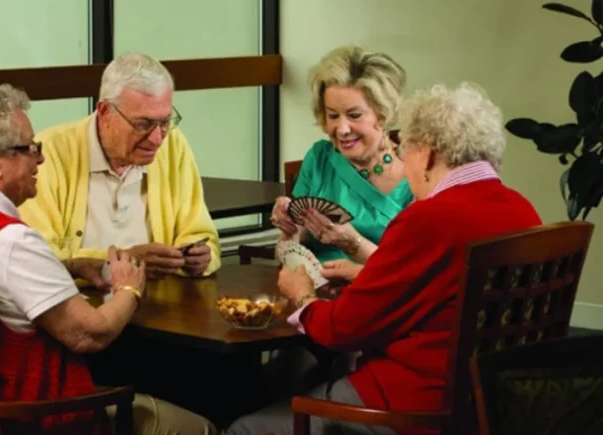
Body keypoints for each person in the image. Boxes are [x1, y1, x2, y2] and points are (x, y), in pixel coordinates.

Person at [226, 82, 543, 435]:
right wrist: (365, 278)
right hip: (496, 407)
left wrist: (302, 295)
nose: (405, 165)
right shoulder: (524, 211)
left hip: (412, 408)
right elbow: (444, 296)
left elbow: (341, 330)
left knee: (244, 429)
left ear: (429, 155)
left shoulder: (428, 219)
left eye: (407, 152)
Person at [0, 84, 217, 435]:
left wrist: (69, 266)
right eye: (29, 148)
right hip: (26, 418)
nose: (40, 159)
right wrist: (129, 287)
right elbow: (90, 335)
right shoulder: (11, 240)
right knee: (202, 426)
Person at [17, 52, 220, 286]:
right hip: (77, 300)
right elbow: (38, 258)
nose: (156, 139)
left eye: (164, 122)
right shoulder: (48, 154)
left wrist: (200, 257)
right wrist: (125, 261)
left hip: (160, 298)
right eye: (143, 124)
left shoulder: (173, 145)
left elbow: (199, 230)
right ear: (105, 112)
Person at [270, 45, 413, 274]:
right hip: (313, 288)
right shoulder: (320, 158)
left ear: (383, 114)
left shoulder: (417, 175)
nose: (342, 129)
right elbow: (287, 255)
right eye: (333, 115)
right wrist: (288, 228)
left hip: (380, 292)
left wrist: (353, 244)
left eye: (354, 115)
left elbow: (411, 273)